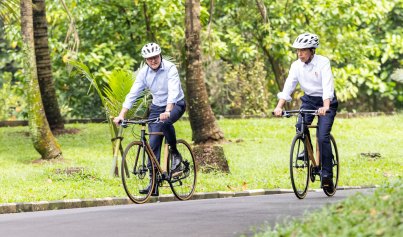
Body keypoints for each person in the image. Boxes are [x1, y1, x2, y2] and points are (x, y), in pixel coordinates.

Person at [114, 42, 186, 196]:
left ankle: (175, 154)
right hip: (156, 107)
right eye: (149, 58)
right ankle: (153, 185)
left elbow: (173, 90)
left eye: (155, 57)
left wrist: (168, 110)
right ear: (145, 60)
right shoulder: (144, 73)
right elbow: (133, 93)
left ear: (159, 55)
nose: (153, 60)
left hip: (175, 104)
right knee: (152, 146)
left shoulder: (170, 68)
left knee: (165, 122)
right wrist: (122, 115)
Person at [273, 33, 338, 193]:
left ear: (312, 50)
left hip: (326, 101)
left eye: (303, 50)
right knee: (300, 126)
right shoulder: (296, 66)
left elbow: (327, 85)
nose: (300, 54)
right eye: (298, 51)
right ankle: (307, 150)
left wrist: (325, 106)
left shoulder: (323, 62)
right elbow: (289, 85)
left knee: (322, 137)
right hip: (309, 100)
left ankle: (327, 175)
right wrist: (279, 106)